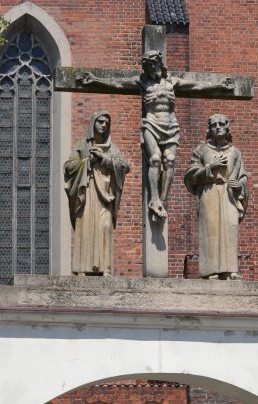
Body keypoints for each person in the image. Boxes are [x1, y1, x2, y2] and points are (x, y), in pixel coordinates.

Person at [79, 51, 233, 219]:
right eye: (149, 65)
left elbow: (197, 85)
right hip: (151, 124)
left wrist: (219, 85)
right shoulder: (142, 82)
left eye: (155, 64)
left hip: (170, 126)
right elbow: (117, 84)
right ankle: (153, 198)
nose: (152, 67)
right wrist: (95, 80)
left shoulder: (172, 82)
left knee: (170, 160)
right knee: (155, 159)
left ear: (161, 64)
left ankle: (163, 200)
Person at [64, 110, 129, 276]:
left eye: (107, 123)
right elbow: (69, 167)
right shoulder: (81, 146)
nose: (104, 125)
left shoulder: (112, 148)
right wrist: (87, 162)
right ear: (93, 123)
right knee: (86, 228)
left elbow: (124, 166)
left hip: (105, 196)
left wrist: (104, 158)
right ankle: (82, 269)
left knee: (105, 226)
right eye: (100, 121)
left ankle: (106, 269)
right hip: (87, 193)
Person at [183, 114, 248, 280]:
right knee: (211, 230)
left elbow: (242, 176)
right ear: (209, 129)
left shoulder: (235, 153)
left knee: (231, 228)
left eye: (221, 124)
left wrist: (239, 185)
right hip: (209, 192)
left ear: (227, 128)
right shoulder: (201, 150)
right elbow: (191, 175)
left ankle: (231, 270)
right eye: (214, 125)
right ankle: (210, 270)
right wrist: (210, 167)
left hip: (229, 195)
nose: (217, 127)